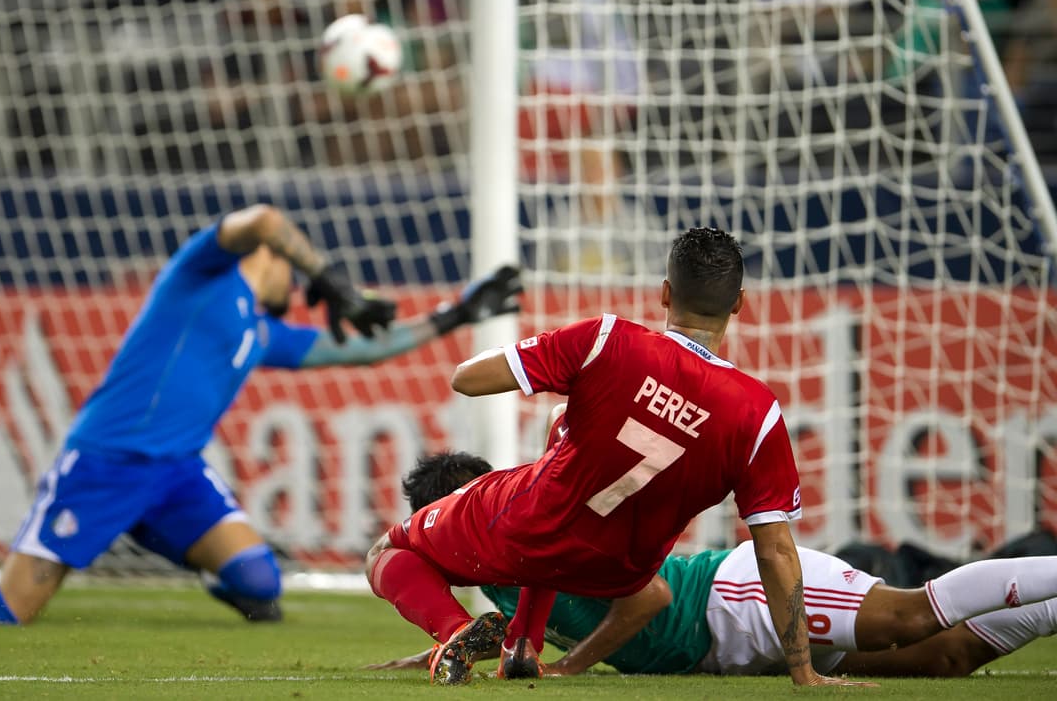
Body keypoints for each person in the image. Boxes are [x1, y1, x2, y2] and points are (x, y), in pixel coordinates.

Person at [0, 203, 523, 626]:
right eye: (296, 274)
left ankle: (159, 534)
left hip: (176, 474)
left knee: (260, 584)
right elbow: (265, 218)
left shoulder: (262, 331)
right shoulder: (199, 273)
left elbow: (362, 351)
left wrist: (454, 314)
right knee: (4, 610)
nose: (302, 292)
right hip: (105, 464)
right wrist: (327, 275)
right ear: (275, 259)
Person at [365, 226, 862, 686]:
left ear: (665, 293)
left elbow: (467, 380)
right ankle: (521, 644)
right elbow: (775, 551)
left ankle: (455, 629)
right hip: (618, 574)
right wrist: (804, 672)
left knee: (387, 551)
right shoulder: (757, 412)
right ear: (738, 304)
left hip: (531, 532)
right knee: (561, 429)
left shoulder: (607, 340)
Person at [371, 448, 1057, 678]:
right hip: (725, 651)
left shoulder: (540, 529)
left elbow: (650, 600)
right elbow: (507, 627)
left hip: (737, 598)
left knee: (910, 616)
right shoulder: (493, 564)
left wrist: (569, 668)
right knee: (949, 658)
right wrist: (440, 642)